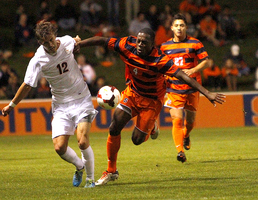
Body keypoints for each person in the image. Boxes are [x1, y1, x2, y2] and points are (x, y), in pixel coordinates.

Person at [76, 27, 225, 185]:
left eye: (144, 42)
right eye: (139, 40)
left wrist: (207, 93)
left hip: (152, 101)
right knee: (114, 126)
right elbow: (102, 40)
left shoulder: (160, 60)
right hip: (132, 94)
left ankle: (152, 127)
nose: (139, 44)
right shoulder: (127, 44)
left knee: (137, 140)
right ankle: (111, 171)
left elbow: (181, 75)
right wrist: (79, 45)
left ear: (152, 45)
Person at [1, 21, 98, 188]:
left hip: (81, 98)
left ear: (55, 36)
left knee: (82, 141)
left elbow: (76, 40)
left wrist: (78, 42)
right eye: (46, 42)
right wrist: (12, 105)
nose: (51, 44)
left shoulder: (66, 41)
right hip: (60, 105)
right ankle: (80, 166)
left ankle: (90, 180)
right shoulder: (38, 59)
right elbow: (27, 85)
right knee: (60, 148)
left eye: (52, 39)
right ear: (40, 42)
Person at [160, 13, 210, 163]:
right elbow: (160, 66)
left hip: (192, 88)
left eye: (182, 25)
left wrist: (193, 70)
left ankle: (186, 135)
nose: (179, 28)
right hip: (173, 89)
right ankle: (180, 151)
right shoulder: (164, 46)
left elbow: (206, 61)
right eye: (176, 25)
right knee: (176, 119)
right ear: (172, 28)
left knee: (190, 122)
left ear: (186, 27)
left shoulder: (195, 43)